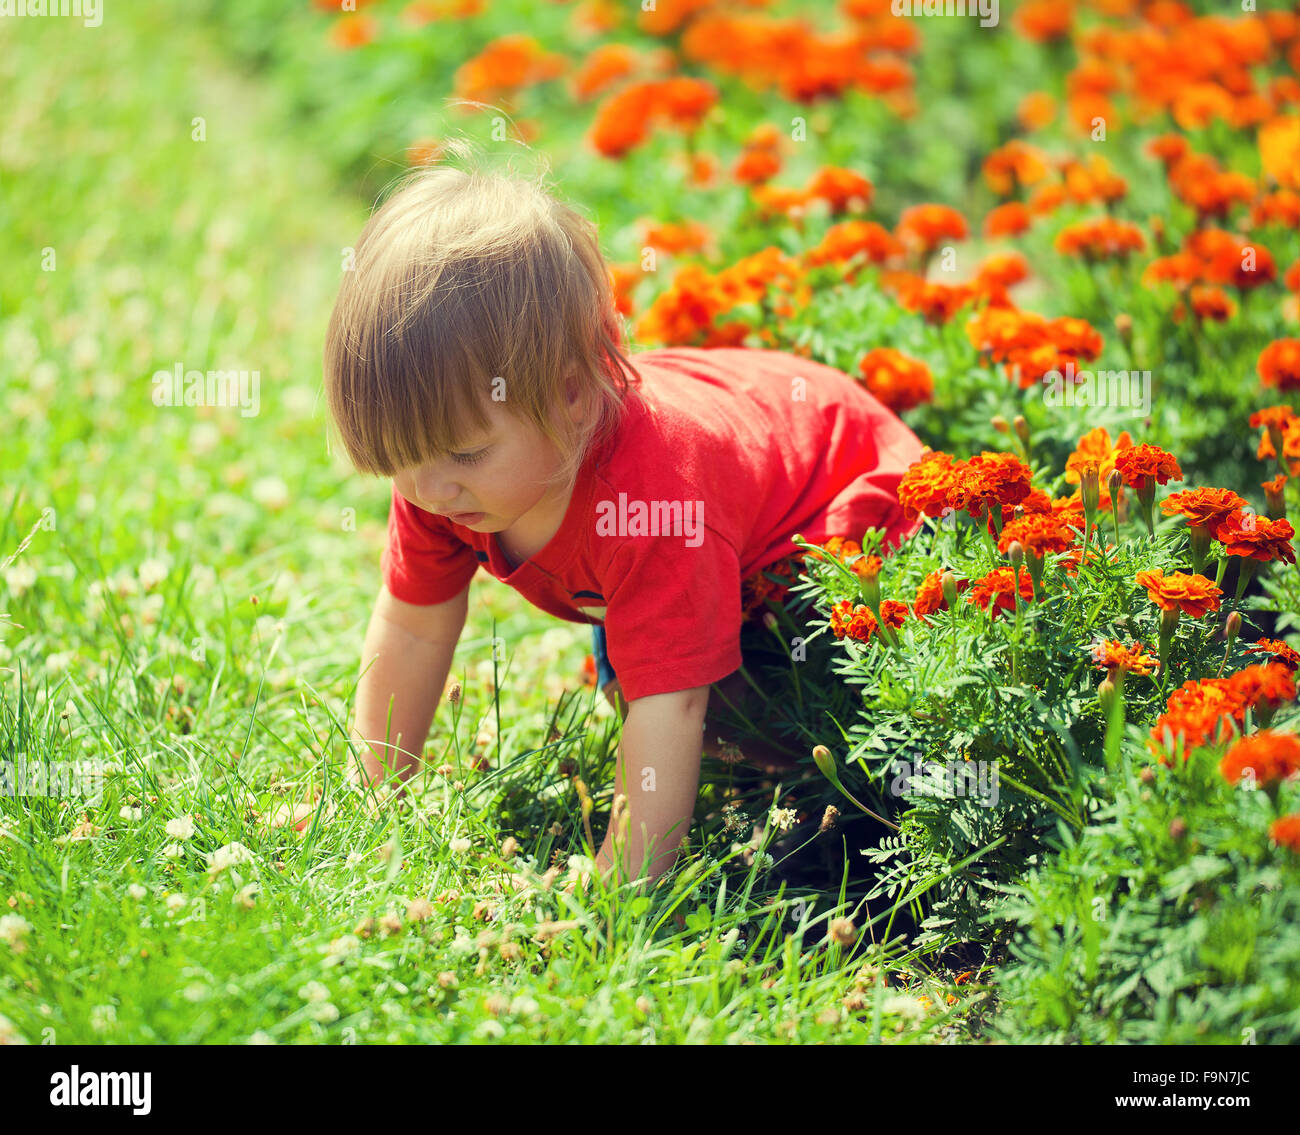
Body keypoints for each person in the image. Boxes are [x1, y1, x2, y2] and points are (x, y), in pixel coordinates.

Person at [321, 152, 924, 890]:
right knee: (640, 660)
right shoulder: (440, 475)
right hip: (722, 539)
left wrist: (620, 886)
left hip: (845, 522)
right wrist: (374, 792)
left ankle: (863, 809)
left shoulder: (653, 502)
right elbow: (414, 624)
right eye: (398, 459)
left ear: (573, 397)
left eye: (464, 454)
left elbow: (671, 703)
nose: (425, 489)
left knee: (821, 718)